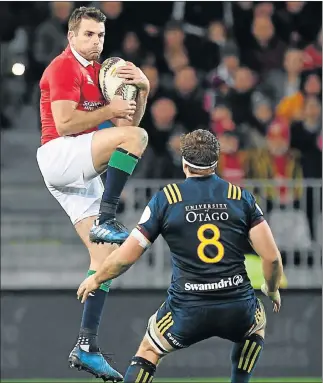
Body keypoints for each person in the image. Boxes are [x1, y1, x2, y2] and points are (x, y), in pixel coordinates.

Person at [77, 129, 283, 383]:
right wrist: (271, 288)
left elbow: (125, 257)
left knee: (149, 350)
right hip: (236, 305)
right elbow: (271, 258)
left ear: (184, 163)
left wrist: (96, 279)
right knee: (256, 325)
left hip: (187, 308)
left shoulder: (167, 199)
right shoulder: (239, 197)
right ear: (215, 162)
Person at [36, 6, 150, 382]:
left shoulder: (98, 74)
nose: (96, 41)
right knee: (138, 139)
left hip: (77, 168)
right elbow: (66, 122)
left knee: (107, 259)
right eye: (88, 34)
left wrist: (143, 89)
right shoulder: (63, 66)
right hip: (60, 153)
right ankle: (106, 217)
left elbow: (127, 125)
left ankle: (86, 346)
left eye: (100, 35)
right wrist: (110, 108)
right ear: (72, 36)